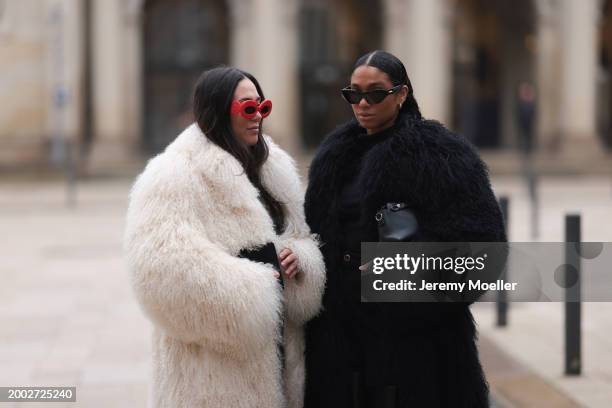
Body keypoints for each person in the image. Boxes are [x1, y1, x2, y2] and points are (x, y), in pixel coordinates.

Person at [303, 50, 506, 407]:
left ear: (401, 94)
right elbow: (315, 235)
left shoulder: (441, 154)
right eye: (354, 94)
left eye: (376, 93)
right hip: (341, 341)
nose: (363, 103)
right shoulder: (333, 156)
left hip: (420, 345)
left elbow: (485, 249)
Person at [124, 66, 326, 408]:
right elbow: (159, 270)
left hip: (279, 354)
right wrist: (259, 287)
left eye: (263, 107)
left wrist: (299, 259)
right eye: (248, 109)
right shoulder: (173, 173)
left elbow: (302, 235)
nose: (258, 117)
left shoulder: (273, 167)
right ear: (216, 111)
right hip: (210, 371)